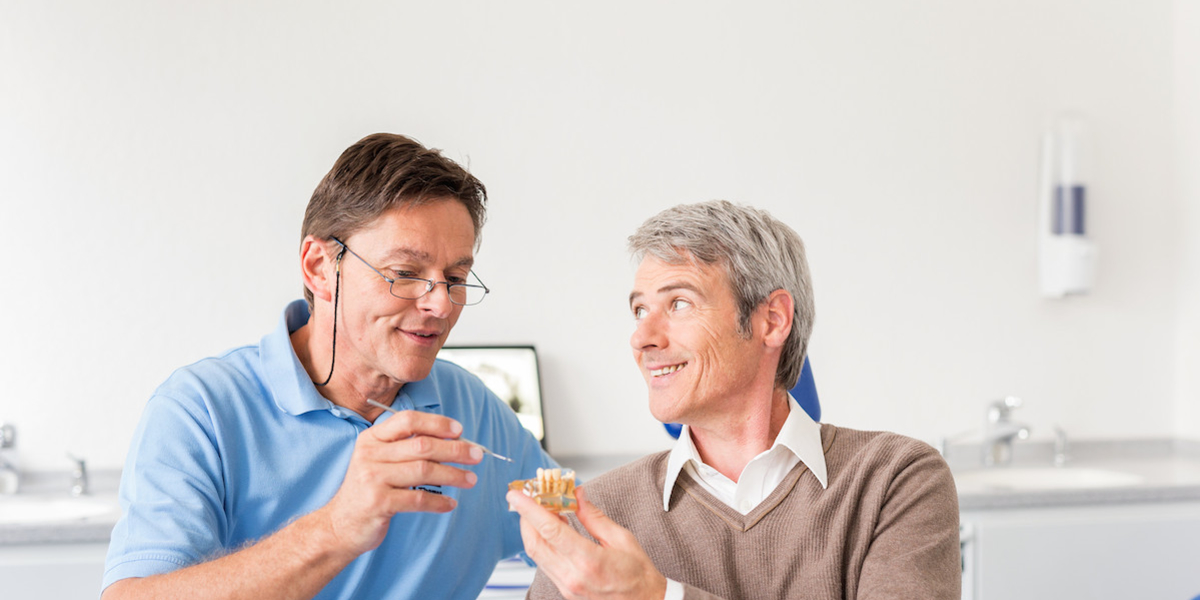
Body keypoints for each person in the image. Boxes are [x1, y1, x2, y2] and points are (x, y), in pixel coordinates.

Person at [102, 133, 557, 600]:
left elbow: (583, 528)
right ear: (320, 268)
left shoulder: (471, 408)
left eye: (456, 279)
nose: (441, 304)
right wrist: (337, 528)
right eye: (404, 273)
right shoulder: (201, 411)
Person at [508, 200, 960, 600]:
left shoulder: (894, 482)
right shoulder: (600, 514)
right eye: (640, 310)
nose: (641, 337)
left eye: (679, 303)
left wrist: (657, 598)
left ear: (772, 320)